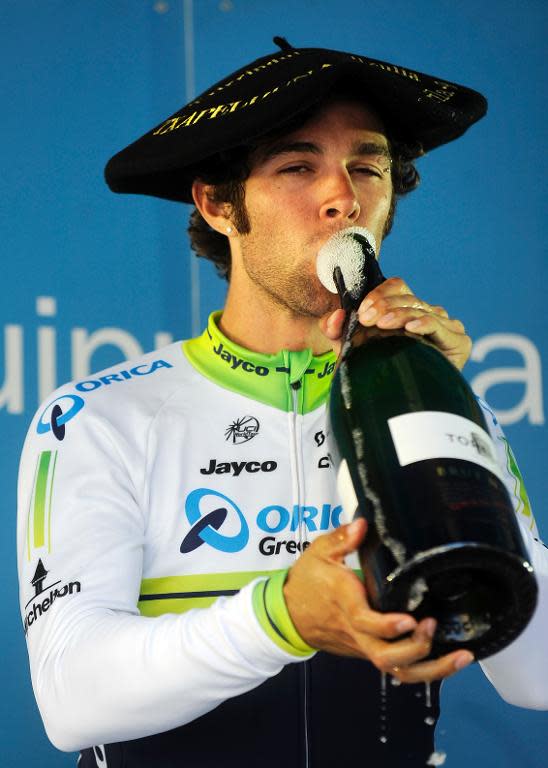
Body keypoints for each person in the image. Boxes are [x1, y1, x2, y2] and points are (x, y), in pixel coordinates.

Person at [18, 38, 548, 767]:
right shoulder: (103, 416)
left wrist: (451, 422)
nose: (345, 196)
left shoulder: (436, 400)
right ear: (217, 203)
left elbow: (536, 675)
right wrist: (282, 617)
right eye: (298, 166)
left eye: (368, 166)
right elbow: (70, 697)